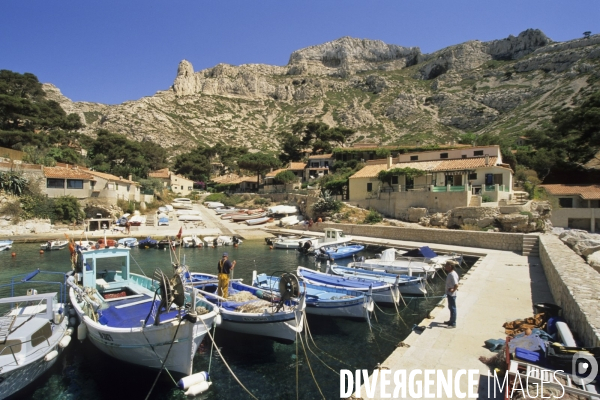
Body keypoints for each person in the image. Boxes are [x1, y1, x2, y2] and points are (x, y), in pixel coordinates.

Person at [444, 260, 459, 328]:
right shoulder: (451, 273)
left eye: (446, 266)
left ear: (450, 267)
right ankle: (451, 320)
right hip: (449, 293)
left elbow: (456, 284)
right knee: (450, 307)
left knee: (453, 308)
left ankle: (453, 323)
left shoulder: (452, 274)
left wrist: (453, 290)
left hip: (451, 294)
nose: (445, 267)